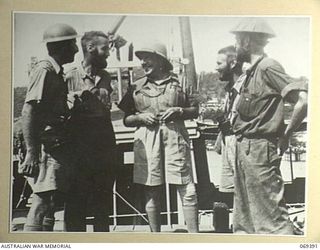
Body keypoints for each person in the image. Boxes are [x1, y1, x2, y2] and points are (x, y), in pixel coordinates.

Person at [230, 17, 308, 234]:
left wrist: (287, 133)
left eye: (237, 40)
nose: (235, 46)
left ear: (246, 41)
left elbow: (304, 100)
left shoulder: (267, 67)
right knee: (244, 220)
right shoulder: (251, 72)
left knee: (271, 221)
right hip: (244, 147)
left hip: (259, 150)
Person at [118, 42, 199, 233]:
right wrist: (140, 117)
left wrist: (179, 110)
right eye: (141, 59)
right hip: (147, 140)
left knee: (187, 188)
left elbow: (195, 110)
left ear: (161, 60)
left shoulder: (181, 83)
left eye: (148, 58)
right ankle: (156, 237)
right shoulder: (136, 86)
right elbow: (126, 120)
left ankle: (195, 237)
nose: (143, 62)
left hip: (175, 136)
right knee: (151, 188)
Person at [19, 23, 79, 231]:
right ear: (62, 47)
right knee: (42, 201)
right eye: (73, 44)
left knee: (51, 201)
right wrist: (31, 153)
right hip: (43, 147)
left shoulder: (55, 71)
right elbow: (28, 112)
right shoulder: (44, 70)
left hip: (52, 144)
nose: (77, 49)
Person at [64, 31, 116, 232]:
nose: (108, 54)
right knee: (77, 198)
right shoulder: (69, 75)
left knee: (102, 198)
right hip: (79, 140)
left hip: (103, 138)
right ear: (90, 48)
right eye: (105, 49)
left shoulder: (105, 76)